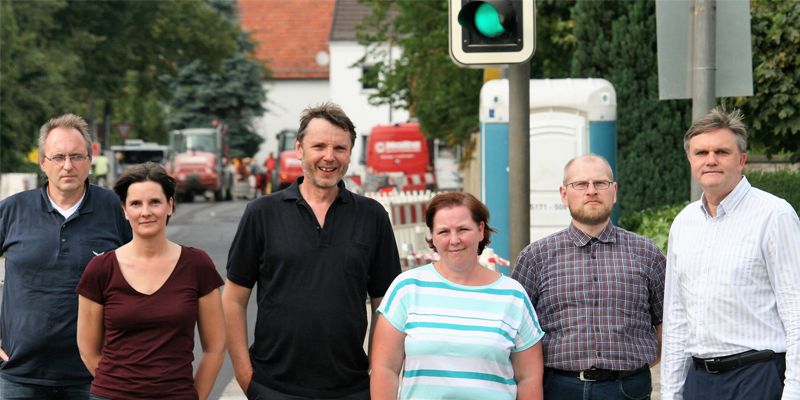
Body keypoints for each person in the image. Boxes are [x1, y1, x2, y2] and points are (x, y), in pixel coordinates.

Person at [222, 102, 401, 399]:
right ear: (299, 149)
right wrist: (245, 376)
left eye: (340, 148)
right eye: (319, 146)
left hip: (351, 388)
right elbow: (233, 300)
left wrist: (377, 372)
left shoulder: (372, 216)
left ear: (350, 154)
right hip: (272, 387)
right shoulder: (261, 213)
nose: (329, 157)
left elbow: (384, 303)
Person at [661, 108, 800, 400]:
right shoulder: (684, 224)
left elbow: (795, 311)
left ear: (742, 160)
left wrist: (794, 391)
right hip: (699, 382)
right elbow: (676, 318)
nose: (710, 160)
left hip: (758, 378)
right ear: (690, 160)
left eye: (721, 151)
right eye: (701, 153)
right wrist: (671, 393)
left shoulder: (774, 216)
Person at [512, 154, 666, 400]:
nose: (591, 191)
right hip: (558, 388)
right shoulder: (535, 257)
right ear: (564, 194)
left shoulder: (647, 253)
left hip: (627, 389)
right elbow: (516, 327)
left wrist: (634, 362)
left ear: (613, 191)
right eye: (581, 184)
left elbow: (665, 322)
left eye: (600, 183)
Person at [0, 113, 132, 398]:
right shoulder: (12, 211)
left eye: (76, 156)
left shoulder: (114, 209)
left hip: (96, 375)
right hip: (18, 376)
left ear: (90, 160)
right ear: (42, 162)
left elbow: (143, 274)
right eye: (58, 157)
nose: (68, 166)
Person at [371, 192, 545, 399]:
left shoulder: (513, 296)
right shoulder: (407, 288)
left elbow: (529, 377)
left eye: (463, 229)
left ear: (481, 230)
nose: (454, 240)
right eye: (444, 231)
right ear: (433, 237)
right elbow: (385, 368)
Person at [76, 162, 225, 400]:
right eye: (136, 204)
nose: (146, 212)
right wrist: (120, 388)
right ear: (124, 211)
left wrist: (196, 397)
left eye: (155, 202)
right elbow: (87, 349)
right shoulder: (101, 269)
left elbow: (215, 347)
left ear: (170, 206)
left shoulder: (197, 264)